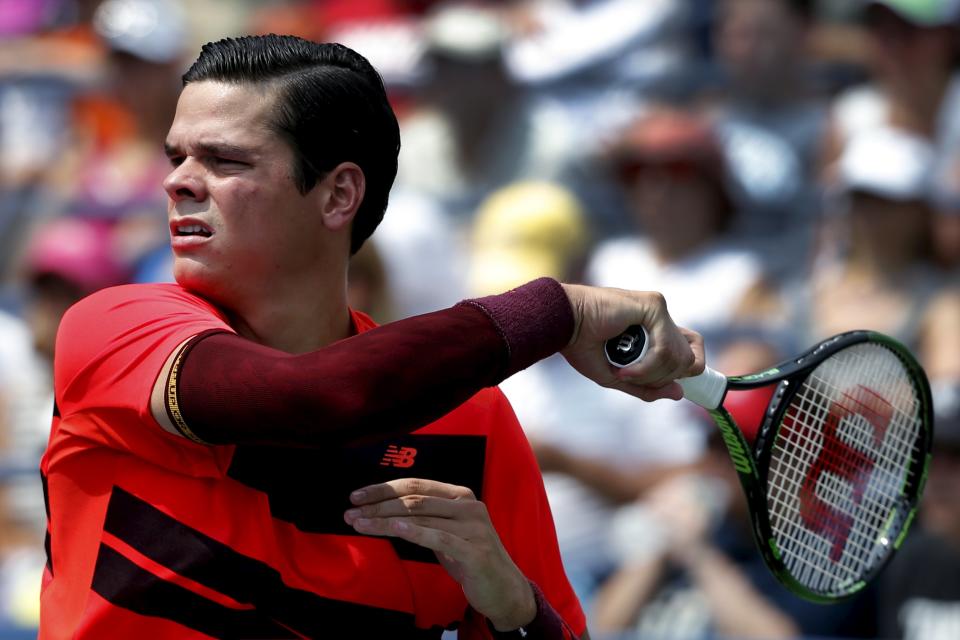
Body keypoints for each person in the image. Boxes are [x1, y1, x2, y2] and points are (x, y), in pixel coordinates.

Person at [38, 35, 704, 639]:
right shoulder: (110, 329)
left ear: (338, 196)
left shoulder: (476, 423)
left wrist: (515, 612)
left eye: (223, 160)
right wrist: (559, 309)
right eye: (177, 155)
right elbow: (320, 400)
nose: (177, 181)